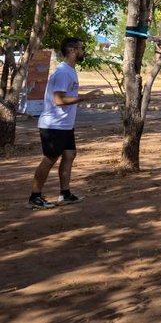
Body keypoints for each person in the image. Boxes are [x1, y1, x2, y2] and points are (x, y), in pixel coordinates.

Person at [28, 38, 103, 209]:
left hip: (65, 125)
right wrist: (85, 96)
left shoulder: (70, 70)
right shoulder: (63, 72)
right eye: (82, 48)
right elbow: (59, 100)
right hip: (53, 125)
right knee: (49, 159)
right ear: (72, 50)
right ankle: (35, 196)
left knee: (69, 155)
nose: (84, 51)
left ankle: (65, 194)